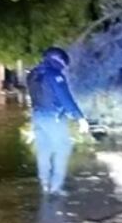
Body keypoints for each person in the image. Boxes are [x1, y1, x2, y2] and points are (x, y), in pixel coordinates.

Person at [26, 47, 89, 196]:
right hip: (53, 117)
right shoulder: (55, 75)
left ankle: (44, 182)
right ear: (59, 60)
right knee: (62, 149)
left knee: (44, 149)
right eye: (64, 63)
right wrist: (80, 118)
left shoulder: (33, 74)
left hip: (38, 116)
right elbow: (65, 98)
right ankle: (56, 187)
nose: (64, 67)